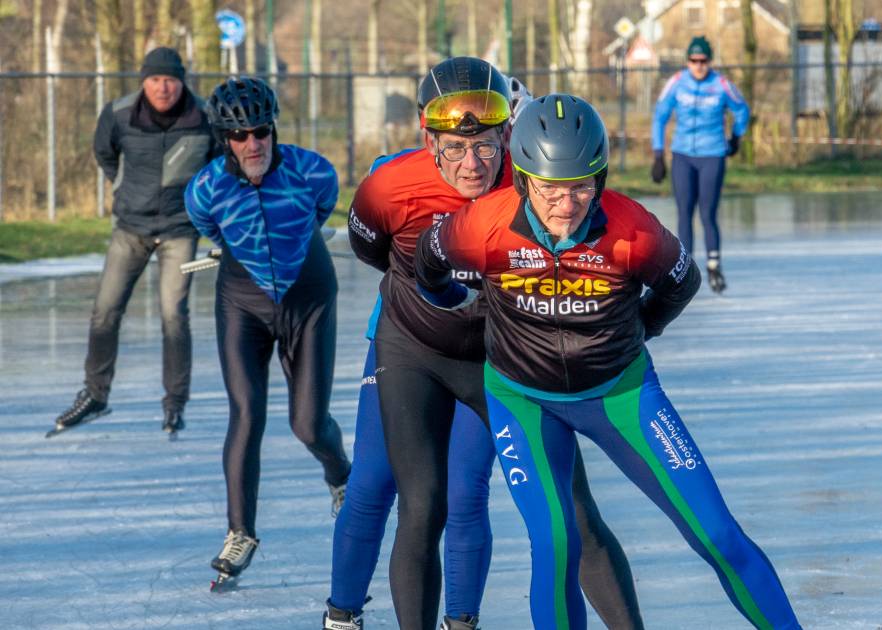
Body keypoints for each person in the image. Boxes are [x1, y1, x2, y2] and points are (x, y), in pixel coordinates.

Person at [414, 93, 801, 629]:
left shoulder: (632, 229)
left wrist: (645, 325)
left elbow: (681, 283)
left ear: (600, 178)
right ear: (524, 180)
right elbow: (427, 259)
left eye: (580, 186)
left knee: (716, 534)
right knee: (555, 543)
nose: (565, 205)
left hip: (621, 394)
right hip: (523, 400)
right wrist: (462, 308)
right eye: (550, 188)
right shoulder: (483, 225)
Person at [343, 58, 643, 630]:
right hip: (415, 349)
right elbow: (372, 249)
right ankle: (356, 611)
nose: (472, 163)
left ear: (511, 138)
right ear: (428, 139)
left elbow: (589, 257)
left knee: (569, 515)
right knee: (419, 501)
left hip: (503, 361)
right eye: (455, 148)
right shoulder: (391, 182)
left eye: (487, 145)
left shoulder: (534, 185)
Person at [184, 77, 351, 586]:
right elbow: (210, 229)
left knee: (307, 424)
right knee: (247, 412)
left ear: (273, 128)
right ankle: (241, 532)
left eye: (260, 131)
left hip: (309, 299)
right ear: (224, 139)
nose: (252, 143)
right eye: (239, 135)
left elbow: (323, 208)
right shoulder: (206, 189)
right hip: (243, 302)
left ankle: (340, 474)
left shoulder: (312, 171)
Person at [48, 47, 219, 438]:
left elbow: (217, 168)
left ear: (182, 82)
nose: (163, 87)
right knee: (104, 312)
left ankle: (175, 404)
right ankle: (95, 394)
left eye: (171, 80)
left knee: (174, 316)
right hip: (131, 229)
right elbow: (104, 154)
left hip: (180, 230)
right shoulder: (119, 113)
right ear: (144, 81)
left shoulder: (205, 117)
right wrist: (126, 189)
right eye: (156, 79)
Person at [650, 35, 750, 294]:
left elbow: (742, 109)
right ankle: (685, 270)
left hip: (712, 154)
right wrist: (658, 154)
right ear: (687, 61)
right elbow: (659, 116)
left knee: (707, 213)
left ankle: (714, 265)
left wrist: (737, 137)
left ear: (710, 61)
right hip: (682, 154)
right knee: (684, 212)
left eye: (703, 60)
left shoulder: (722, 84)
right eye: (693, 60)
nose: (698, 65)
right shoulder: (676, 82)